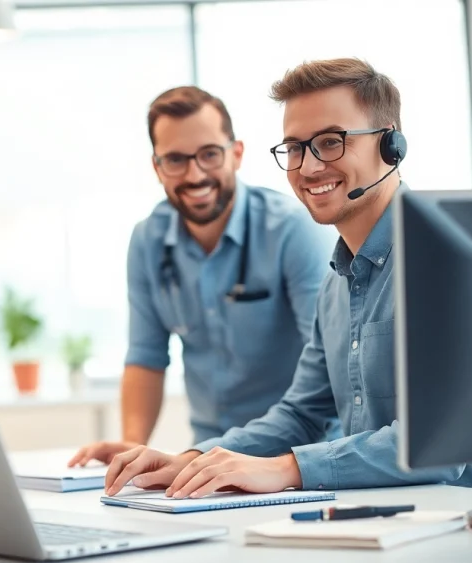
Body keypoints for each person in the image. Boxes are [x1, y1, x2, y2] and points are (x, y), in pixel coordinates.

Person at [101, 59, 472, 497]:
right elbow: (302, 415)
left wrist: (288, 468)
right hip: (392, 525)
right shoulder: (338, 281)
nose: (308, 168)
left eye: (330, 142)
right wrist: (193, 460)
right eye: (294, 148)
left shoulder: (447, 258)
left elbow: (442, 441)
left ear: (391, 145)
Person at [69, 86, 339, 467]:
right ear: (157, 167)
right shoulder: (147, 241)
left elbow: (330, 362)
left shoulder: (293, 230)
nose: (195, 175)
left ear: (237, 154)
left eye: (209, 155)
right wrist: (132, 445)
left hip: (296, 458)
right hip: (206, 459)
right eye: (176, 160)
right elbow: (146, 357)